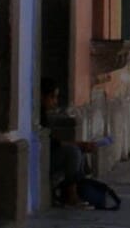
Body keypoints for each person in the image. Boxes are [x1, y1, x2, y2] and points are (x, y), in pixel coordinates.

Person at [41, 77, 95, 207]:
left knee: (78, 152)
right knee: (73, 152)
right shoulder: (37, 115)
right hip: (43, 157)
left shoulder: (43, 115)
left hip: (49, 154)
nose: (55, 102)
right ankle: (70, 194)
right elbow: (51, 143)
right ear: (42, 96)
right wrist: (76, 144)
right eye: (52, 97)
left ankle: (79, 190)